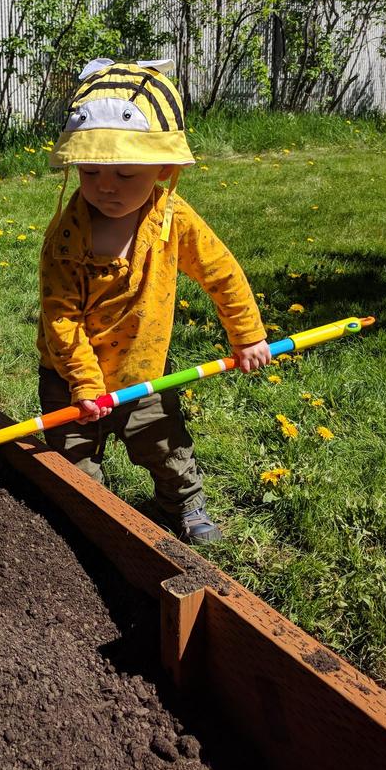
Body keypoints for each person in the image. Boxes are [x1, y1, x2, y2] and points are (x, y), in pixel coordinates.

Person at [37, 58, 271, 545]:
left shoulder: (173, 219)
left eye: (125, 174)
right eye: (92, 171)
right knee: (74, 456)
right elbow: (60, 315)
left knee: (164, 446)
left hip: (141, 371)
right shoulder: (66, 236)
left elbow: (222, 274)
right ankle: (93, 517)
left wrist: (247, 334)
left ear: (162, 167)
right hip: (70, 376)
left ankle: (182, 501)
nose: (106, 187)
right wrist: (84, 384)